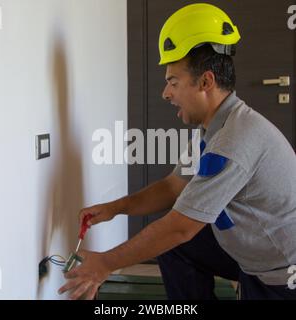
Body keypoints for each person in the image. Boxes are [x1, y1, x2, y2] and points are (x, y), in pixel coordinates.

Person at [58, 3, 296, 300]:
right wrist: (115, 208)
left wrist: (105, 264)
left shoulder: (234, 141)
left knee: (173, 236)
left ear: (206, 82)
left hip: (279, 274)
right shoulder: (214, 128)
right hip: (250, 252)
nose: (166, 93)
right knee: (173, 247)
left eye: (173, 82)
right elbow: (173, 187)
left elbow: (180, 227)